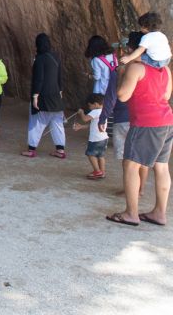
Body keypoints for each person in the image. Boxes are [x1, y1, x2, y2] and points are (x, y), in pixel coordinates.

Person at [105, 39, 173, 227]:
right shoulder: (166, 71)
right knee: (161, 166)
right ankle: (159, 213)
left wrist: (122, 74)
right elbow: (166, 96)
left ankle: (131, 213)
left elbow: (123, 95)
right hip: (166, 121)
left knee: (131, 165)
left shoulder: (136, 68)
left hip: (145, 122)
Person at [99, 32, 148, 196]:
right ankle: (140, 189)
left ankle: (130, 189)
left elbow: (113, 95)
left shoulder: (123, 69)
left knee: (127, 157)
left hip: (123, 117)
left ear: (128, 48)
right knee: (142, 157)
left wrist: (103, 116)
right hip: (145, 118)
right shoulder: (154, 68)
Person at [21, 33, 66, 158]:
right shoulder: (56, 57)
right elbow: (59, 76)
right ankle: (60, 150)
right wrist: (60, 92)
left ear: (37, 45)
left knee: (36, 123)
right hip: (56, 96)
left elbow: (38, 79)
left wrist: (35, 96)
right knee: (57, 124)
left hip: (43, 96)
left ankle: (31, 149)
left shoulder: (39, 59)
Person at [74, 94, 109, 179]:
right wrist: (81, 127)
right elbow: (93, 125)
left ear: (96, 104)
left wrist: (81, 112)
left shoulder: (96, 111)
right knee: (100, 156)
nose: (89, 108)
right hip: (103, 138)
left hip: (95, 139)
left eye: (90, 105)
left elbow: (85, 119)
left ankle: (97, 171)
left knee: (90, 154)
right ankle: (102, 172)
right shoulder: (104, 111)